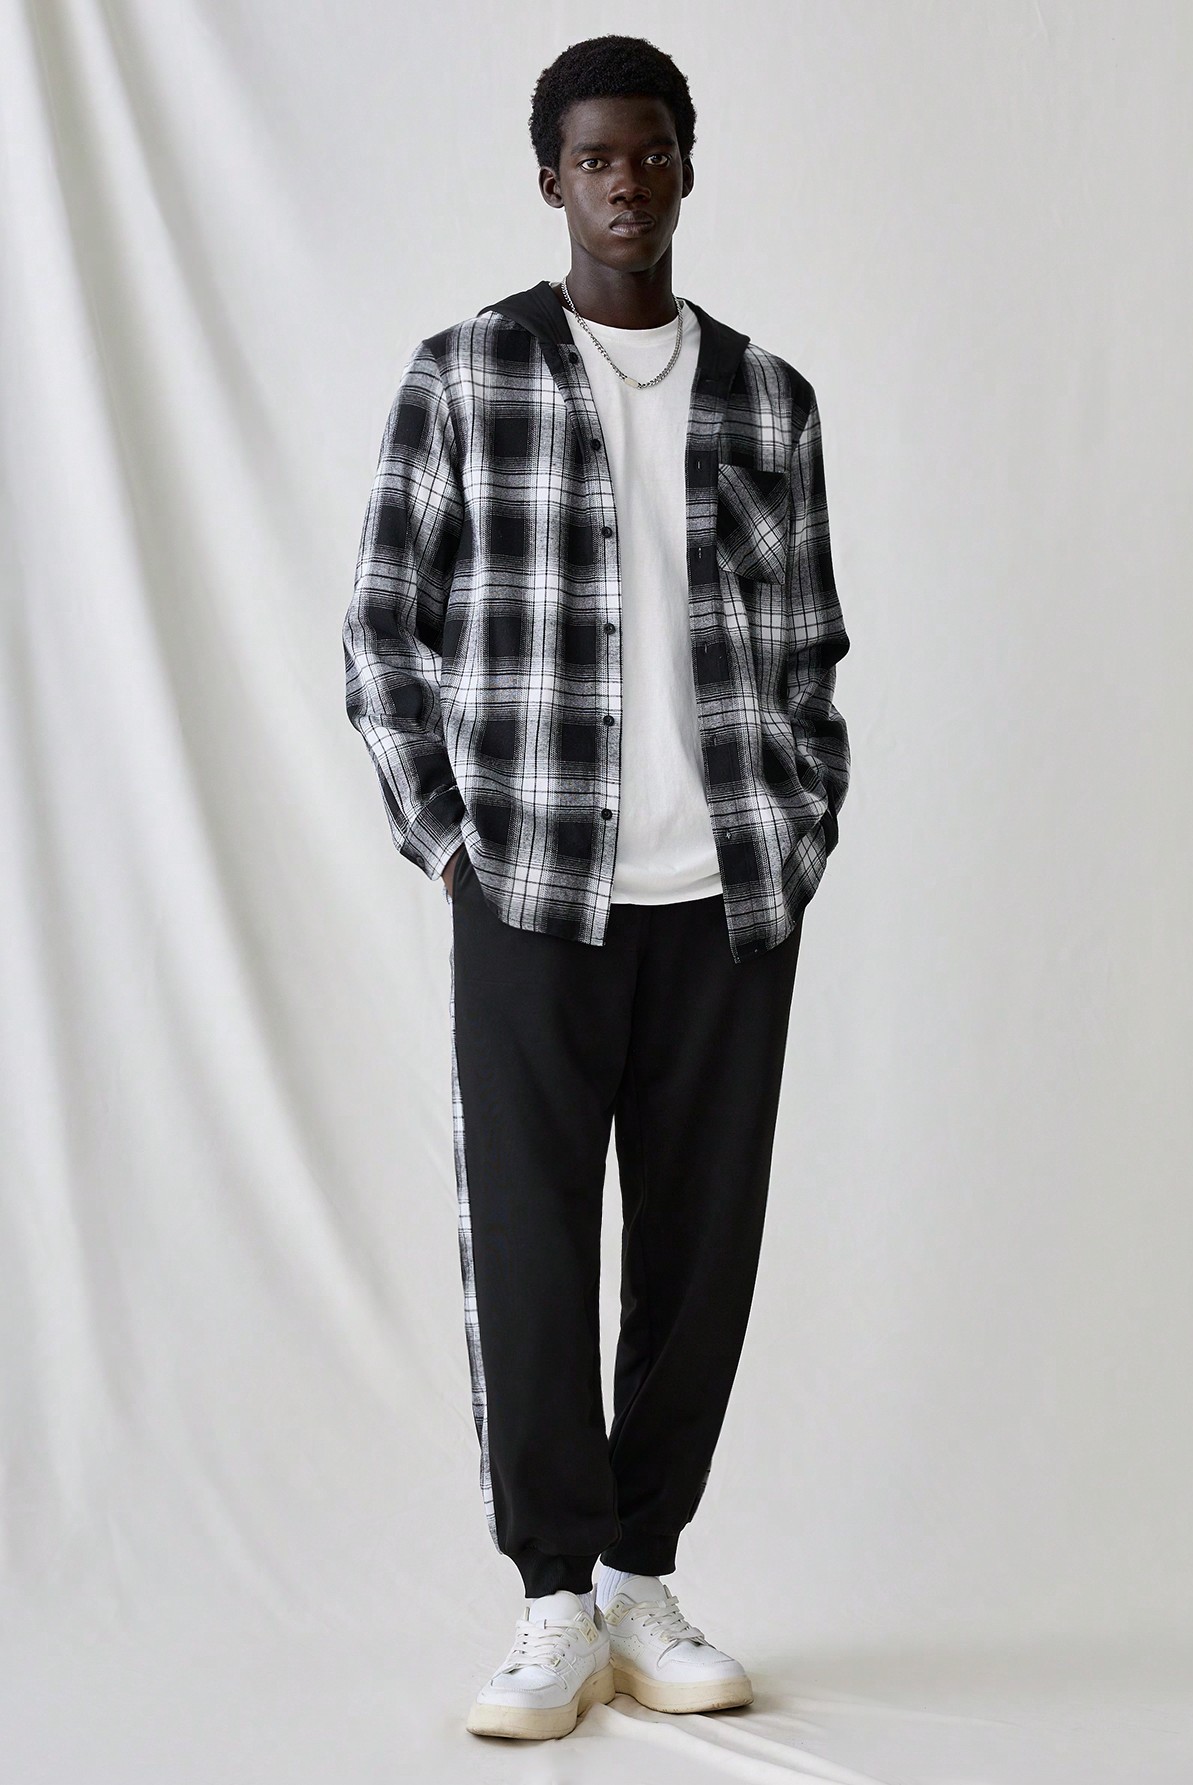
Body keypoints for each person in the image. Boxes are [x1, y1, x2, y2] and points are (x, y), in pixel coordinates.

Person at [342, 33, 851, 1742]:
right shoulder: (465, 376)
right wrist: (451, 841)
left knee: (702, 1253)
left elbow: (808, 648)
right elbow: (382, 631)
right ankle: (554, 1599)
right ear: (549, 178)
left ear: (688, 165)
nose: (626, 183)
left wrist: (798, 825)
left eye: (651, 151)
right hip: (534, 893)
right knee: (535, 1243)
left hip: (729, 904)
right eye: (594, 157)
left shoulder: (769, 399)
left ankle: (645, 1571)